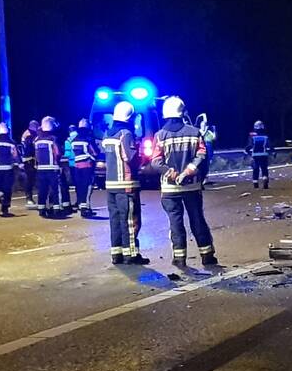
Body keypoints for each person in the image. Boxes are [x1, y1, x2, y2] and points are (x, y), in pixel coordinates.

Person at [153, 96, 217, 267]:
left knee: (175, 222)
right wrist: (189, 171)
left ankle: (179, 258)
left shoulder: (160, 136)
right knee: (197, 219)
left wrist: (172, 174)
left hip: (169, 189)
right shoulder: (195, 132)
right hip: (192, 186)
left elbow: (156, 161)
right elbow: (202, 155)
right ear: (182, 113)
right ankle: (207, 255)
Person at [102, 102, 149, 264]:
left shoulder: (107, 133)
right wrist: (141, 156)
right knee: (130, 220)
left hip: (111, 184)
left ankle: (117, 254)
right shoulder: (126, 133)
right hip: (126, 184)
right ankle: (131, 254)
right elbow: (130, 157)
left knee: (115, 220)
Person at [0, 123, 20, 216]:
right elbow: (16, 155)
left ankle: (0, 196)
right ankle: (5, 207)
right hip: (9, 168)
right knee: (8, 188)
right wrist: (20, 164)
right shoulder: (11, 142)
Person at [34, 116, 63, 217]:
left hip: (41, 168)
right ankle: (56, 209)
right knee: (55, 189)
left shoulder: (37, 140)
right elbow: (58, 152)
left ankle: (41, 209)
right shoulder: (53, 139)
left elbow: (36, 154)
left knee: (42, 189)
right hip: (52, 168)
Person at [71, 118, 99, 217]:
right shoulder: (88, 139)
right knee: (87, 187)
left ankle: (80, 205)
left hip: (77, 166)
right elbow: (94, 152)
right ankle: (85, 208)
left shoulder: (74, 139)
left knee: (80, 186)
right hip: (87, 165)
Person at [245, 119, 274, 189]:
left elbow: (249, 146)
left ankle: (255, 183)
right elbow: (270, 146)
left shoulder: (252, 136)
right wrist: (273, 152)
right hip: (264, 155)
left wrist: (246, 153)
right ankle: (265, 179)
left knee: (255, 169)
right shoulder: (265, 136)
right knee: (264, 168)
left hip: (255, 155)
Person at [20, 119, 39, 209]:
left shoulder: (31, 134)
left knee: (33, 180)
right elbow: (30, 148)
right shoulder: (29, 135)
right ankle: (29, 198)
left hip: (32, 159)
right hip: (29, 160)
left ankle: (31, 198)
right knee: (30, 180)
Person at [58, 124, 75, 214]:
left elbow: (67, 154)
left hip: (71, 164)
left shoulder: (68, 140)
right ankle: (79, 203)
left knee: (61, 184)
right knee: (80, 186)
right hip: (82, 164)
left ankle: (62, 206)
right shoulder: (80, 137)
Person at [195, 113, 217, 185]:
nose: (204, 126)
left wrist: (214, 130)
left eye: (205, 125)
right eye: (202, 125)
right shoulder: (199, 132)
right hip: (203, 149)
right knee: (202, 163)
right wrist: (202, 116)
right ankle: (201, 178)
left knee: (208, 163)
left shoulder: (208, 132)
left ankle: (205, 177)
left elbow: (214, 138)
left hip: (209, 147)